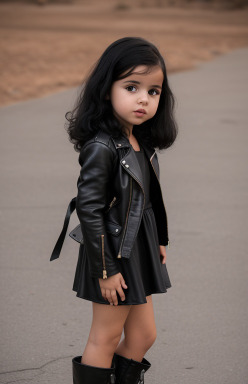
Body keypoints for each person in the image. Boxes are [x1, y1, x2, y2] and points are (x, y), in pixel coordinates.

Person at [51, 37, 178, 384]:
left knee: (143, 336)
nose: (143, 98)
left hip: (138, 247)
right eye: (132, 86)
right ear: (107, 89)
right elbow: (89, 209)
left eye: (153, 91)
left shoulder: (141, 141)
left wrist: (159, 240)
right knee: (105, 337)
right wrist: (105, 268)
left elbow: (149, 200)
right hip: (111, 251)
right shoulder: (101, 146)